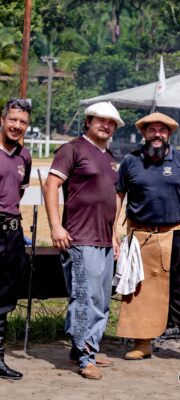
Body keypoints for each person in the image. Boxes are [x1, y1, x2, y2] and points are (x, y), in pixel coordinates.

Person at [114, 112, 180, 365]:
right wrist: (113, 231)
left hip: (174, 236)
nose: (157, 134)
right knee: (138, 291)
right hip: (139, 237)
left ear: (169, 134)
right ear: (144, 133)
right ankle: (142, 344)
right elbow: (118, 196)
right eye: (152, 130)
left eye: (162, 130)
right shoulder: (131, 161)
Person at [43, 102, 124, 380]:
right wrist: (56, 226)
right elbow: (51, 185)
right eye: (101, 120)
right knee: (84, 298)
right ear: (88, 121)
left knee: (101, 299)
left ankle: (86, 348)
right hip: (79, 237)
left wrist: (113, 233)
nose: (106, 125)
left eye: (111, 123)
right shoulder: (72, 149)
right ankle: (85, 356)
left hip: (104, 238)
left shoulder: (109, 157)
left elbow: (114, 197)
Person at [0, 99, 32, 380]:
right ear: (2, 119)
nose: (17, 125)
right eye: (13, 119)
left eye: (22, 122)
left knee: (5, 296)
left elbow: (18, 193)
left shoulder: (25, 157)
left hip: (12, 234)